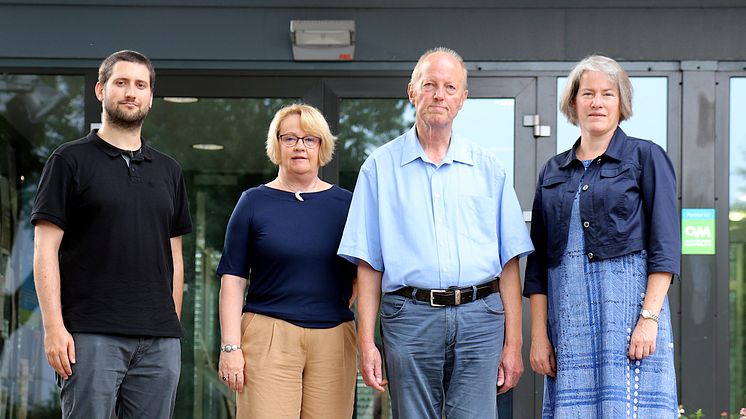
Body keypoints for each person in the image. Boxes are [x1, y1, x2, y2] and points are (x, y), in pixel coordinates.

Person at [338, 47, 534, 419]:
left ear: (463, 99)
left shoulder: (488, 168)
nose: (438, 95)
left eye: (449, 87)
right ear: (412, 92)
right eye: (429, 85)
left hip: (480, 319)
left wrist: (514, 343)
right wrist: (367, 343)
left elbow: (509, 261)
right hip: (408, 318)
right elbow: (368, 265)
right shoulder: (379, 168)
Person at [31, 50, 192, 418]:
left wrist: (170, 325)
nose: (131, 92)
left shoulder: (169, 170)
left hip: (158, 342)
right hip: (89, 336)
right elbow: (44, 250)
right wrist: (54, 328)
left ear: (151, 96)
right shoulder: (69, 160)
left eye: (140, 85)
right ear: (101, 90)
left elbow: (175, 257)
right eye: (121, 83)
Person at [524, 55, 679, 418]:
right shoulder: (553, 170)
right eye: (588, 93)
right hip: (569, 327)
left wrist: (648, 320)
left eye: (608, 94)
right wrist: (539, 336)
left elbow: (665, 247)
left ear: (621, 103)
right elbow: (539, 264)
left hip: (629, 322)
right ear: (573, 103)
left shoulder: (646, 156)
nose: (597, 102)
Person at [216, 103, 357, 419]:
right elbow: (233, 279)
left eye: (310, 139)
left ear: (322, 146)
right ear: (276, 144)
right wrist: (230, 348)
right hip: (268, 336)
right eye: (289, 138)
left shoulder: (347, 205)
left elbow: (360, 277)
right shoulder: (253, 202)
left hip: (333, 340)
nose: (299, 147)